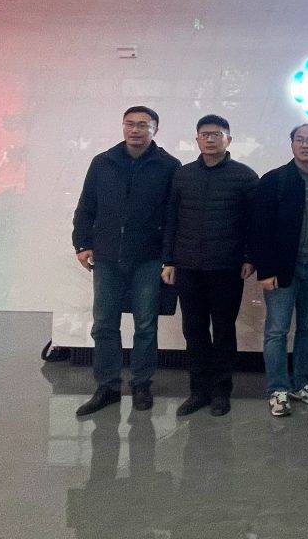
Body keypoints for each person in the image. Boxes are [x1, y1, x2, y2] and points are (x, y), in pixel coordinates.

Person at [72, 106, 181, 416]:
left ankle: (142, 384)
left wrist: (169, 257)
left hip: (149, 258)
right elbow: (86, 206)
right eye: (130, 124)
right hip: (107, 256)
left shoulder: (169, 166)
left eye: (143, 125)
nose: (135, 130)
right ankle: (107, 386)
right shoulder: (103, 162)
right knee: (104, 323)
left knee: (145, 325)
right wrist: (82, 243)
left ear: (155, 130)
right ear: (122, 127)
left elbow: (173, 218)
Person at [161, 114, 259, 417]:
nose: (210, 139)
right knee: (194, 329)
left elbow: (255, 223)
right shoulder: (183, 175)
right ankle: (198, 391)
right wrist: (168, 260)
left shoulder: (244, 176)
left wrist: (249, 257)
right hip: (188, 266)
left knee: (224, 330)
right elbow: (171, 220)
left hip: (226, 268)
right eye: (204, 134)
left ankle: (221, 391)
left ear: (228, 139)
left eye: (217, 134)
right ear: (197, 139)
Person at [251, 123, 308, 417]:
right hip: (282, 268)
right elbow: (260, 228)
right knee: (277, 330)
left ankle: (301, 383)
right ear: (291, 145)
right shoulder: (274, 180)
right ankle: (278, 388)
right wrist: (265, 270)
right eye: (299, 140)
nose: (305, 145)